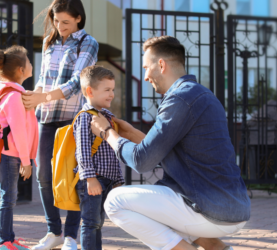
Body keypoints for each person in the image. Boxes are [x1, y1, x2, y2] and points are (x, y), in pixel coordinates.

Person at [90, 36, 251, 250]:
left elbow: (141, 161)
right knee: (158, 209)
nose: (146, 76)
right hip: (234, 207)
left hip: (210, 208)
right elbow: (168, 150)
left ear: (162, 65)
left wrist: (106, 132)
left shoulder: (180, 99)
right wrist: (129, 133)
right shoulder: (201, 94)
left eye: (147, 67)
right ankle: (216, 247)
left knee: (115, 202)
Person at [23, 1, 99, 249]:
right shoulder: (49, 42)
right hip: (45, 117)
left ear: (78, 18)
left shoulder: (88, 42)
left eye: (65, 21)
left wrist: (42, 97)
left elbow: (78, 82)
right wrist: (32, 98)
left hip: (72, 118)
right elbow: (44, 79)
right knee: (44, 174)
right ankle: (53, 232)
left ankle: (70, 237)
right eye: (56, 21)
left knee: (73, 176)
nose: (60, 26)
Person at [0, 46, 38, 250]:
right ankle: (3, 242)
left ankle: (8, 238)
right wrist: (26, 162)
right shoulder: (14, 97)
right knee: (8, 198)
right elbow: (18, 132)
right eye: (29, 62)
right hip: (11, 155)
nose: (32, 65)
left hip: (11, 154)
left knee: (9, 197)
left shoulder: (11, 93)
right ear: (20, 70)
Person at [73, 66, 125, 250]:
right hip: (93, 179)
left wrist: (118, 179)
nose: (112, 94)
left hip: (107, 180)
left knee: (98, 223)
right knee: (90, 222)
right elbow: (83, 150)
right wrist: (90, 178)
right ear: (90, 91)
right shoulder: (85, 117)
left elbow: (113, 151)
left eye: (113, 89)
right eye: (107, 90)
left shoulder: (108, 117)